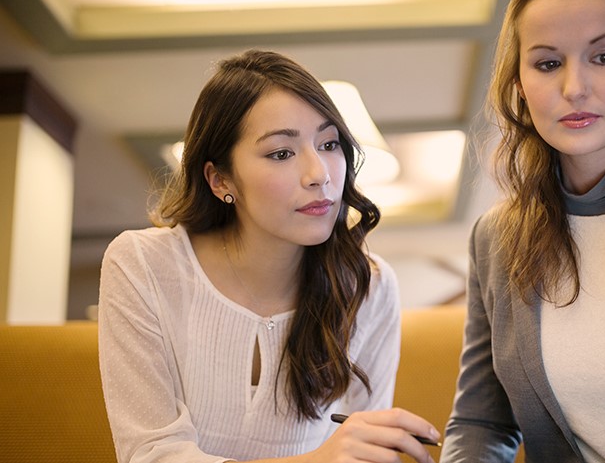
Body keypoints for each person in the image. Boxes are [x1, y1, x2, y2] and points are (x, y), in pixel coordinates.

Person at [98, 49, 439, 463]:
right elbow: (150, 454)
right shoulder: (143, 266)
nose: (320, 174)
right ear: (220, 178)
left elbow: (363, 451)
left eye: (329, 143)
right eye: (281, 153)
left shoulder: (369, 284)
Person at [439, 0, 605, 462]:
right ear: (519, 83)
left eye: (603, 57)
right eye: (547, 63)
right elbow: (482, 422)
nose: (574, 88)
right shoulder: (495, 238)